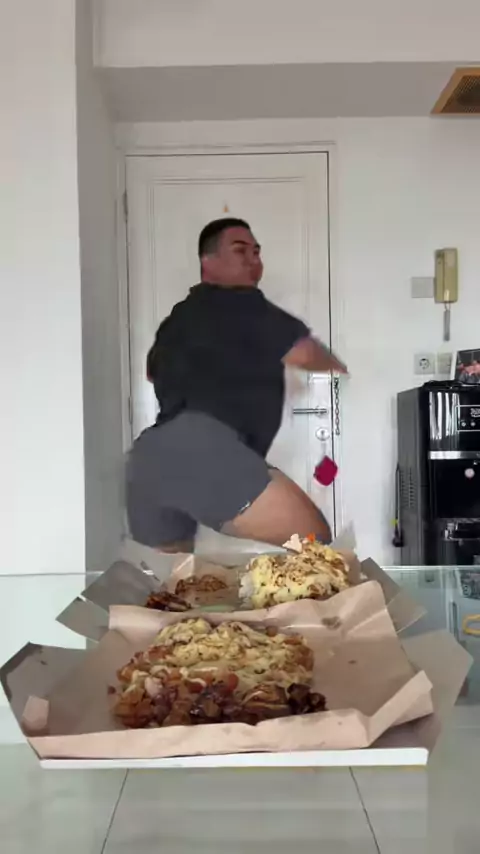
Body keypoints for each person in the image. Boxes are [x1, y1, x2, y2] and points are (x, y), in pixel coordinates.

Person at [126, 218, 347, 552]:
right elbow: (306, 355)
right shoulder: (245, 303)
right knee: (316, 542)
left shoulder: (177, 319)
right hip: (198, 446)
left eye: (256, 252)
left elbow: (151, 373)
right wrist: (342, 368)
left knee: (175, 578)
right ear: (208, 261)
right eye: (240, 250)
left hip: (146, 460)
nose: (253, 260)